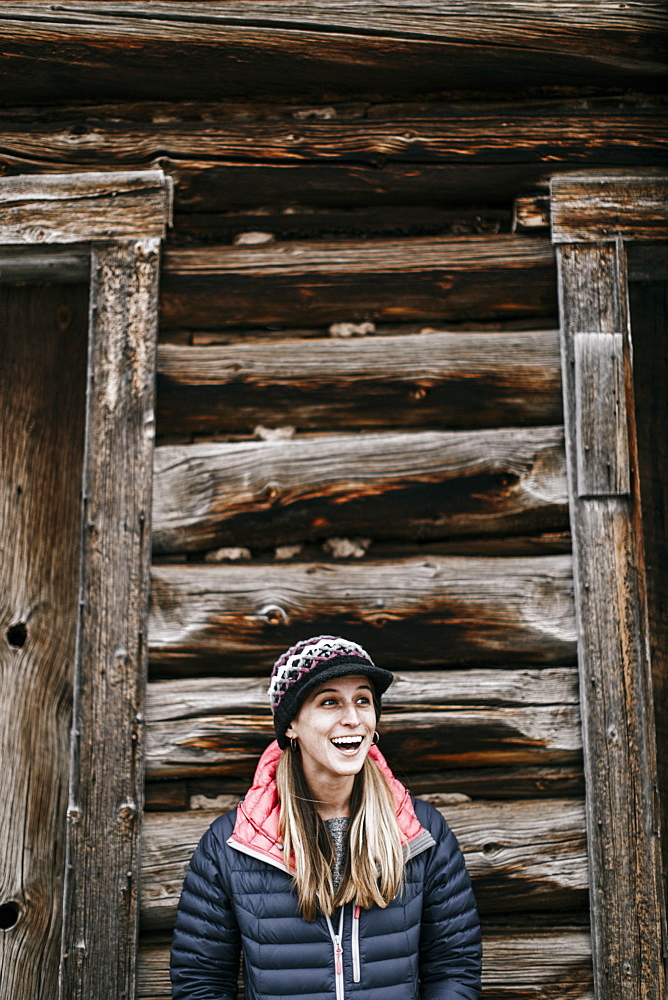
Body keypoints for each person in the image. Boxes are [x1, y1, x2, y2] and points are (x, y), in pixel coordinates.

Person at [170, 635, 482, 999]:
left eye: (362, 700)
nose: (352, 719)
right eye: (330, 702)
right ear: (291, 725)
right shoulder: (234, 843)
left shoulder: (420, 832)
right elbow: (200, 981)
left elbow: (454, 967)